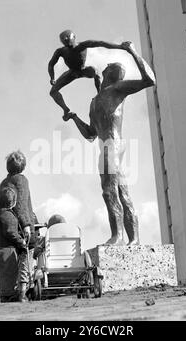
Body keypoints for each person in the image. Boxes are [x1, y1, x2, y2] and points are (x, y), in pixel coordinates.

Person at [64, 42, 156, 246]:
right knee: (122, 191)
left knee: (109, 191)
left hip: (113, 146)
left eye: (111, 68)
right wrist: (74, 118)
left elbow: (150, 80)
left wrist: (132, 51)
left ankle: (119, 237)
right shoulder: (95, 101)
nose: (106, 68)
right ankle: (134, 239)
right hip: (106, 147)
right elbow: (90, 134)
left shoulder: (117, 89)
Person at [48, 29, 130, 121]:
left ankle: (100, 94)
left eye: (67, 37)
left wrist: (120, 46)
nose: (65, 40)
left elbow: (102, 43)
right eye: (63, 39)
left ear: (74, 37)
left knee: (96, 72)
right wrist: (52, 78)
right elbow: (51, 64)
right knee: (53, 92)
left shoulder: (83, 45)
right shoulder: (60, 51)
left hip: (83, 70)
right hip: (72, 72)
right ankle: (65, 109)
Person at [0, 151, 38, 302]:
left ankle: (7, 294)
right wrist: (27, 225)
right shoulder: (21, 180)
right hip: (22, 225)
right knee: (25, 256)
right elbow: (21, 205)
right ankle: (22, 292)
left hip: (6, 227)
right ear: (23, 166)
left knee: (9, 262)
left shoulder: (3, 183)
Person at [0, 187, 26, 303]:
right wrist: (21, 242)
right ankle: (7, 298)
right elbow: (10, 232)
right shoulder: (7, 215)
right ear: (12, 201)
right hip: (7, 250)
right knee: (8, 274)